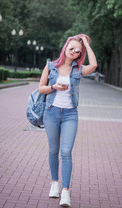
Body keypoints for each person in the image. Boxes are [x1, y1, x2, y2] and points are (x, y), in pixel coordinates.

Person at [39, 34, 97, 207]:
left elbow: (93, 65)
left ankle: (65, 192)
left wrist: (86, 43)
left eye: (78, 51)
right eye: (71, 48)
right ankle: (54, 184)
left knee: (66, 152)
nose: (74, 52)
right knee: (53, 150)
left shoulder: (78, 69)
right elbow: (41, 89)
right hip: (51, 113)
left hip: (70, 115)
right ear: (65, 47)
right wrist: (53, 87)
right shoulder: (50, 66)